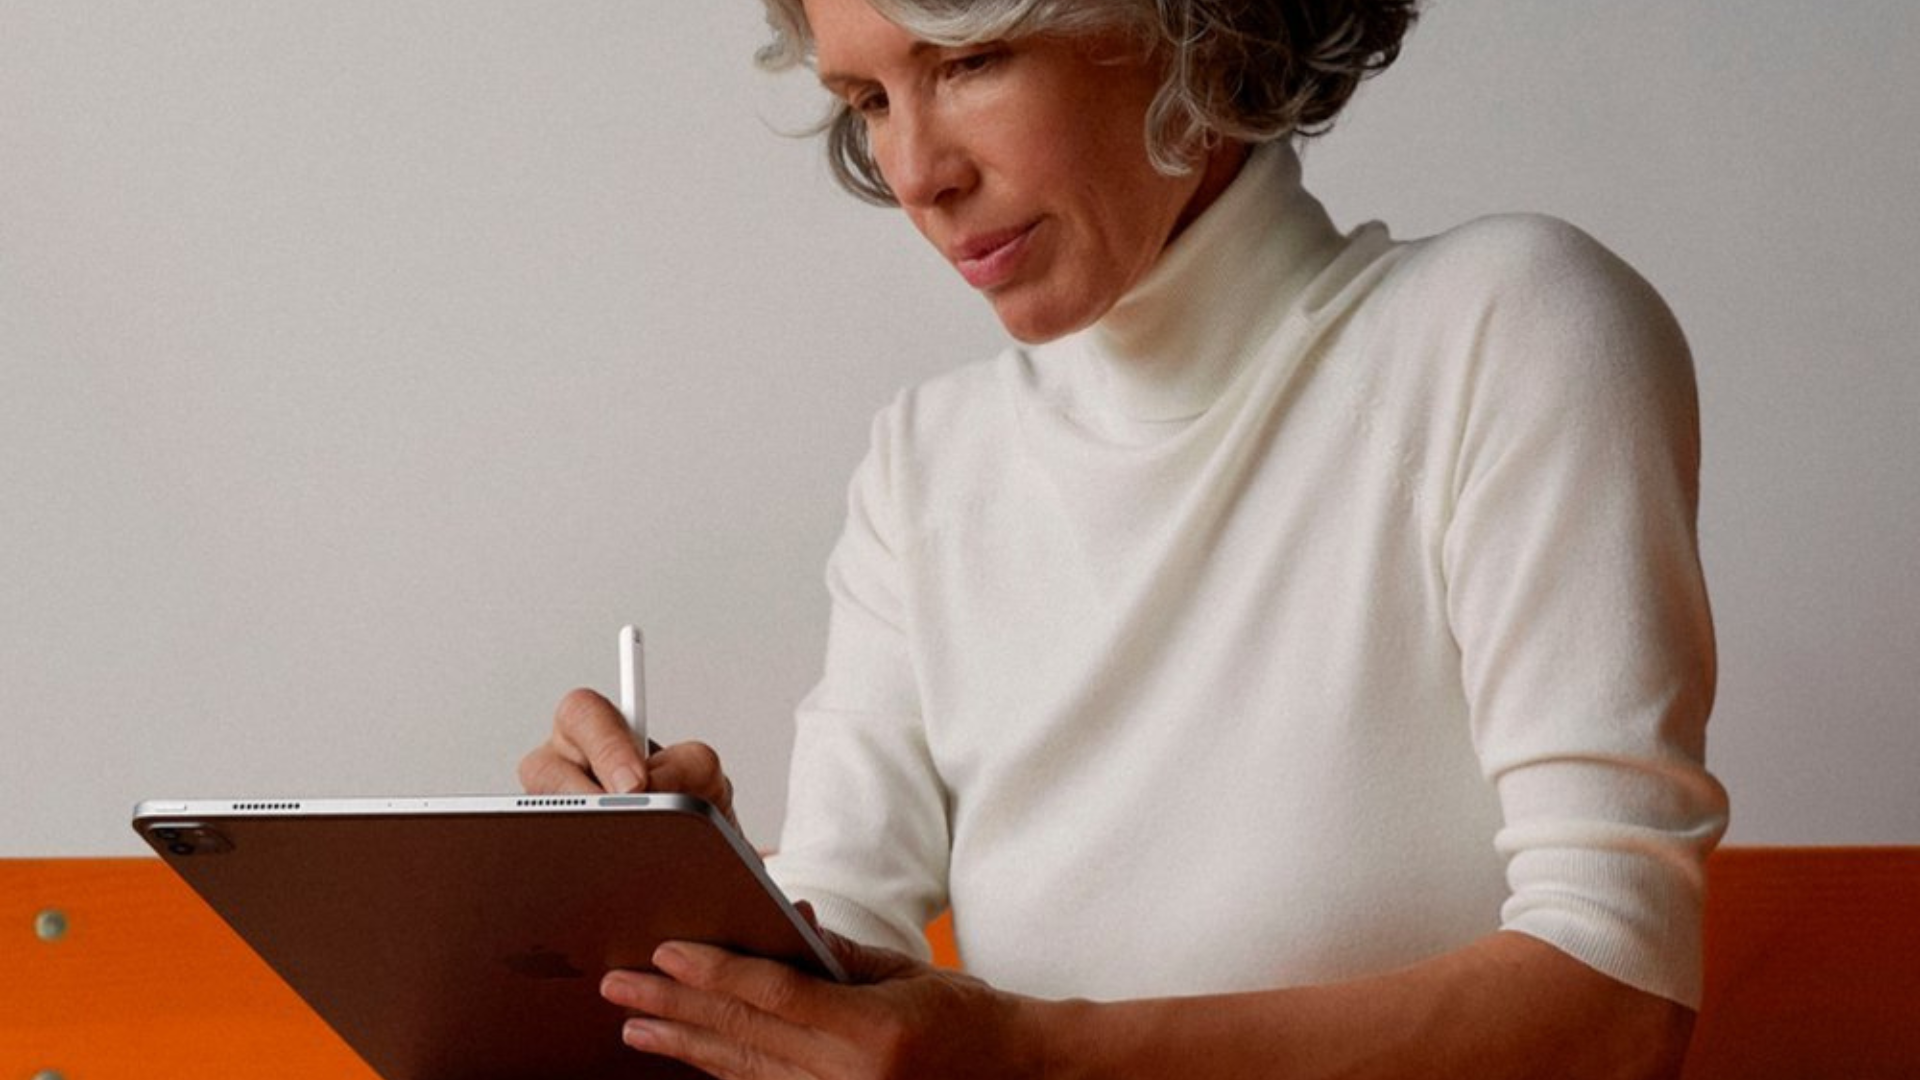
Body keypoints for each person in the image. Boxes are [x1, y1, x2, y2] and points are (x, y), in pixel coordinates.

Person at [518, 0, 1731, 1075]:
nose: (915, 171)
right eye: (869, 99)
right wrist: (671, 892)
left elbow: (1614, 1005)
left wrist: (1036, 1059)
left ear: (1192, 30)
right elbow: (847, 944)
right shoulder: (928, 465)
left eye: (971, 58)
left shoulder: (1506, 329)